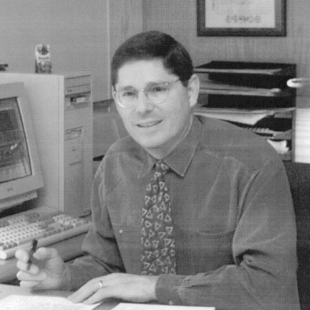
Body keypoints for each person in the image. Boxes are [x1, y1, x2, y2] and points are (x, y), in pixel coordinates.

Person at [15, 31, 300, 310]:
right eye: (128, 93)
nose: (142, 108)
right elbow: (107, 266)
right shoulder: (116, 163)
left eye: (157, 90)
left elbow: (267, 286)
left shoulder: (252, 163)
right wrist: (66, 276)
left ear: (191, 91)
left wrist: (153, 287)